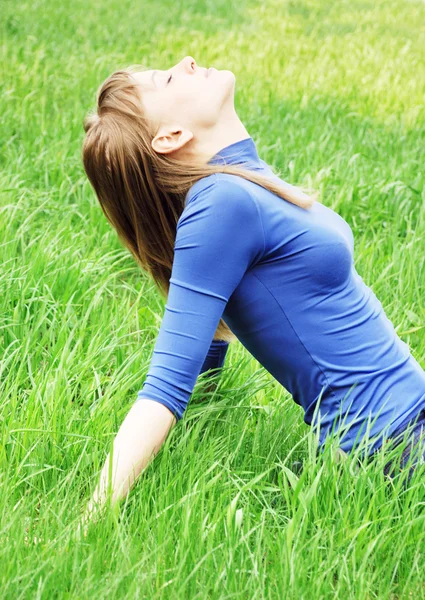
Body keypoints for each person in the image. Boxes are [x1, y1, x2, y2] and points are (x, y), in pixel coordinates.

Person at [80, 55, 425, 529]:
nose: (186, 62)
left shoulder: (241, 183)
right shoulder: (225, 201)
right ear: (170, 137)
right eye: (166, 78)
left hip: (406, 418)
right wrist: (90, 522)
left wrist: (203, 423)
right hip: (396, 443)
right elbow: (164, 387)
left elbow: (213, 332)